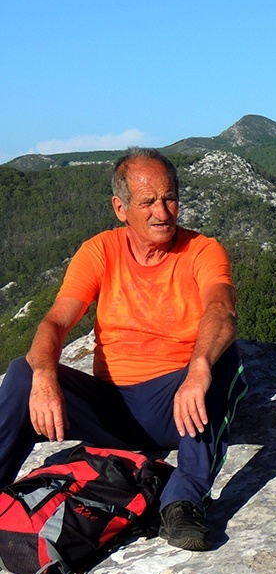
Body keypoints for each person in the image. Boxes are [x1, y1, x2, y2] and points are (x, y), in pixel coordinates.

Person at [0, 148, 246, 551]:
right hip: (111, 407)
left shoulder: (203, 250)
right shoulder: (100, 251)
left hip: (177, 404)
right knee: (23, 371)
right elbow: (55, 323)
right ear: (121, 208)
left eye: (169, 198)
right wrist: (44, 375)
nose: (162, 212)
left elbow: (221, 309)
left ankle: (182, 501)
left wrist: (199, 367)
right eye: (147, 202)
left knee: (223, 359)